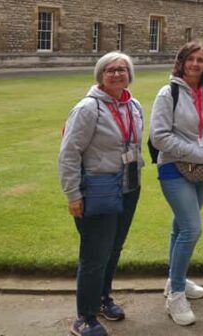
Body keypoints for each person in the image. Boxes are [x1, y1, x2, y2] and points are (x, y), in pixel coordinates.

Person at [58, 52, 144, 336]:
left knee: (114, 248)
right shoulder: (87, 108)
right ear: (100, 75)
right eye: (110, 70)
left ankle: (103, 299)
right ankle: (84, 316)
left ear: (129, 74)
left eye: (122, 69)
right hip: (98, 189)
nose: (118, 74)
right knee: (94, 254)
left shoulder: (134, 106)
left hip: (129, 186)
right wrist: (73, 195)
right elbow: (69, 154)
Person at [150, 41, 203, 326]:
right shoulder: (168, 93)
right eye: (191, 59)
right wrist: (199, 152)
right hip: (173, 168)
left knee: (179, 227)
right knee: (192, 228)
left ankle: (173, 280)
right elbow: (159, 136)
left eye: (201, 60)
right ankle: (176, 296)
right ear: (181, 62)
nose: (195, 64)